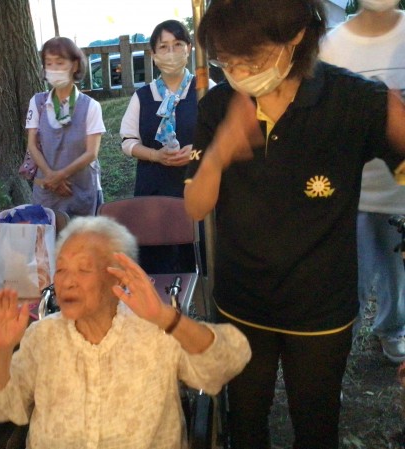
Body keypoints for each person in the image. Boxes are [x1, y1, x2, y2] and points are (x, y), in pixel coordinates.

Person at [183, 0, 405, 447]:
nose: (239, 72)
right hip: (241, 301)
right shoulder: (218, 106)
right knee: (246, 420)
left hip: (321, 306)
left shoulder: (356, 101)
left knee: (317, 423)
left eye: (252, 59)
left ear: (297, 35)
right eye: (226, 61)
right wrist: (220, 153)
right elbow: (195, 206)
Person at [0, 215, 251, 449]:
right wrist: (0, 350)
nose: (67, 282)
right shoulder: (42, 336)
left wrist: (167, 317)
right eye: (62, 269)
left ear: (117, 276)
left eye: (84, 270)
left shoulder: (156, 331)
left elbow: (228, 362)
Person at [319, 0, 405, 363]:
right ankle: (336, 347)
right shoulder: (330, 46)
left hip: (399, 192)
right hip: (348, 193)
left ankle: (392, 329)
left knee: (395, 274)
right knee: (346, 280)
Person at [119, 20, 212, 273]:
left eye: (178, 44)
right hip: (154, 190)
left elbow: (220, 139)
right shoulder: (142, 96)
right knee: (157, 262)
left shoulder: (205, 90)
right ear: (153, 54)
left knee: (201, 258)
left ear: (189, 48)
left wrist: (197, 150)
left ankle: (200, 297)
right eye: (163, 47)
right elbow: (128, 142)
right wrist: (155, 155)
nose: (171, 52)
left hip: (197, 188)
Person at [26, 36, 105, 217]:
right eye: (49, 63)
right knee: (47, 232)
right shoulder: (37, 102)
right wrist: (51, 177)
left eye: (60, 63)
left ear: (75, 65)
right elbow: (32, 145)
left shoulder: (91, 106)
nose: (54, 69)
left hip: (81, 189)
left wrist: (60, 175)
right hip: (46, 190)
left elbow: (91, 153)